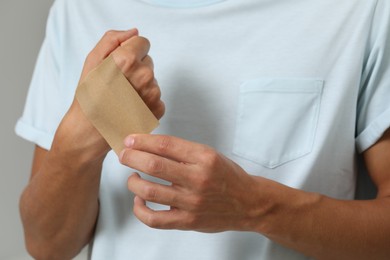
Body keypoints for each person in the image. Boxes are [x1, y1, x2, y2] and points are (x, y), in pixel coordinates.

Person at [15, 0, 390, 259]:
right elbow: (46, 246)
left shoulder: (359, 9)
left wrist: (254, 207)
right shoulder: (78, 9)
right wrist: (79, 141)